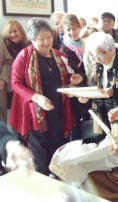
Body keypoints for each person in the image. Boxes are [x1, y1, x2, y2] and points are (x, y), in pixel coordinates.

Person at [9, 18, 82, 175]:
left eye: (49, 37)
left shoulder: (59, 56)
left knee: (57, 152)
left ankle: (56, 184)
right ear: (32, 38)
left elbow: (68, 76)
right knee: (39, 157)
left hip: (58, 111)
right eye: (41, 39)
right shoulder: (24, 56)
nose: (46, 42)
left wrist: (74, 78)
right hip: (35, 114)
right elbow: (15, 83)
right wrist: (36, 97)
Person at [81, 32, 118, 136]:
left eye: (100, 54)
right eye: (93, 55)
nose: (97, 59)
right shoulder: (98, 64)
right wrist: (87, 95)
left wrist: (114, 92)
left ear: (110, 50)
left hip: (117, 115)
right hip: (99, 114)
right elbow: (96, 86)